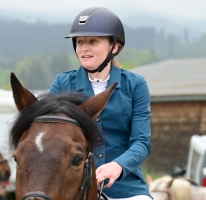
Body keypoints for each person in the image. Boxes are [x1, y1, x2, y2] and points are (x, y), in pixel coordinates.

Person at [49, 7, 152, 200]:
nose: (84, 48)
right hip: (72, 188)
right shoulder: (62, 84)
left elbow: (141, 142)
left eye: (93, 41)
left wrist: (117, 166)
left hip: (125, 188)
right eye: (79, 42)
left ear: (115, 46)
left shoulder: (136, 85)